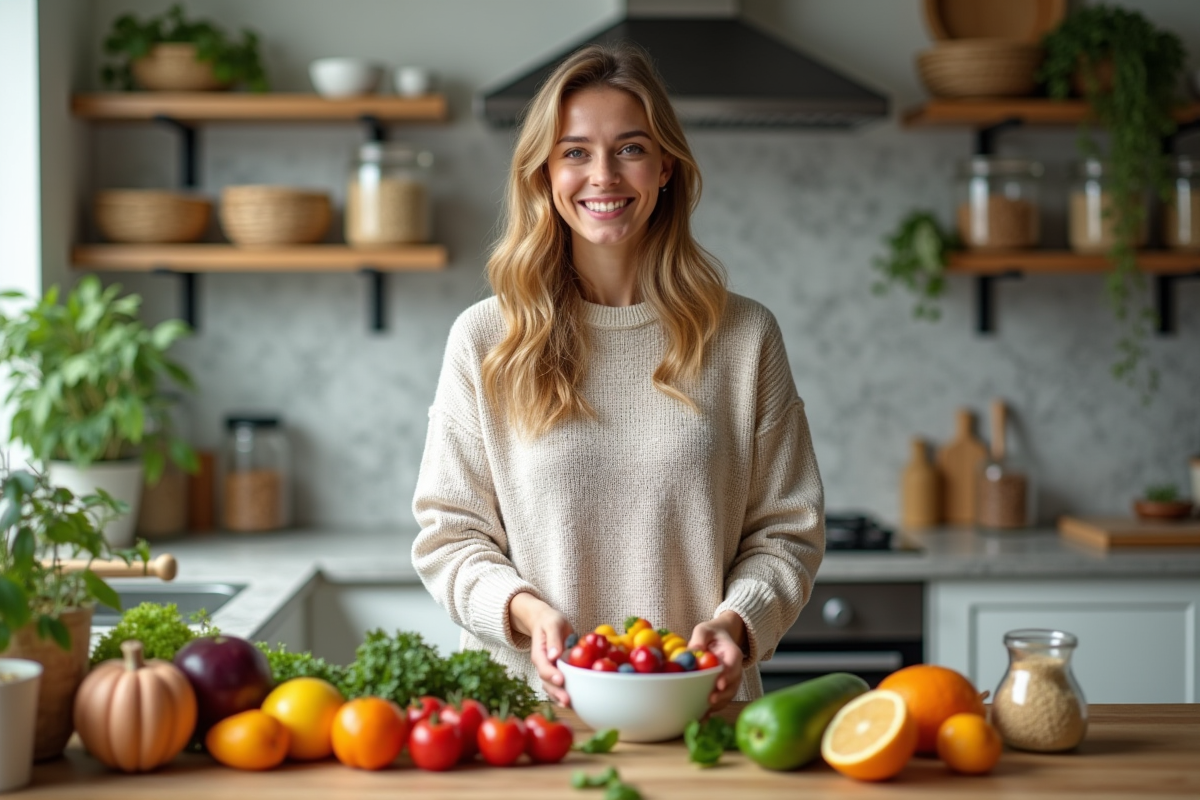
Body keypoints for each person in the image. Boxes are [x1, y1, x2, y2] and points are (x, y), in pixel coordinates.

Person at [412, 43, 824, 710]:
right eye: (575, 152)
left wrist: (738, 623)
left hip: (702, 718)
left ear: (665, 167)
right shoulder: (487, 339)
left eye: (629, 148)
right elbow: (449, 536)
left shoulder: (745, 337)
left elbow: (787, 532)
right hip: (529, 727)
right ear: (545, 173)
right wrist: (525, 613)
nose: (602, 175)